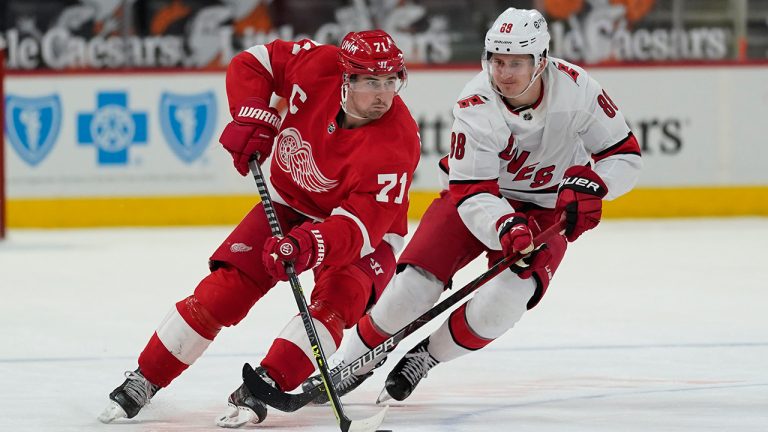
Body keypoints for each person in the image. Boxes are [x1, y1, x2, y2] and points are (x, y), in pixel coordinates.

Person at [98, 29, 420, 427]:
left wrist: (309, 243)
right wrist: (253, 113)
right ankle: (145, 378)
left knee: (335, 303)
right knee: (224, 291)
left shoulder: (398, 140)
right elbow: (254, 62)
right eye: (372, 81)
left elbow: (359, 229)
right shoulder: (317, 63)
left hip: (366, 234)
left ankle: (268, 382)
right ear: (345, 78)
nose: (384, 95)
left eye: (391, 81)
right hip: (289, 205)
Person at [321, 7, 643, 404]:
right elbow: (473, 191)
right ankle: (354, 360)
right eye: (498, 61)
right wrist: (506, 226)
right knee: (413, 287)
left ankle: (427, 355)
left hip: (546, 208)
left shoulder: (579, 90)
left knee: (504, 301)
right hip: (478, 199)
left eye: (517, 63)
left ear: (541, 61)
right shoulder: (475, 102)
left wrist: (595, 184)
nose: (505, 73)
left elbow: (624, 155)